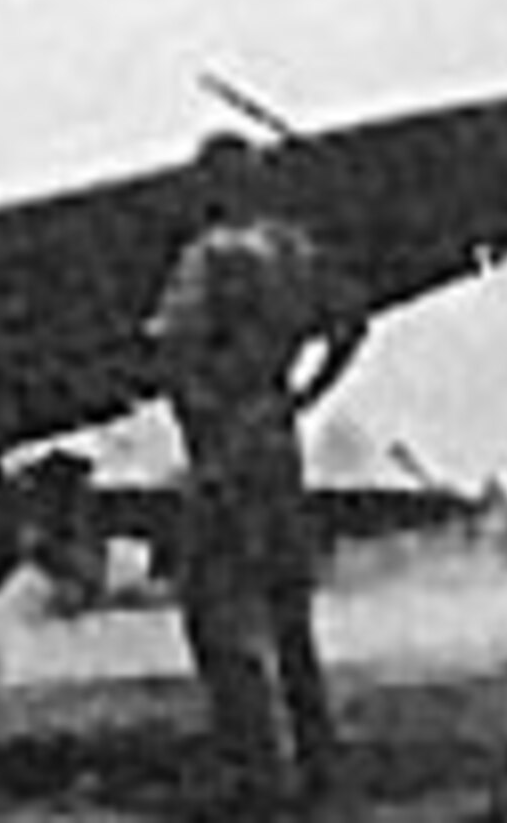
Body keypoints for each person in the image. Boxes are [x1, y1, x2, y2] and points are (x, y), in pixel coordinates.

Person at [146, 133, 368, 810]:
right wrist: (303, 394)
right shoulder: (297, 250)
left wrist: (207, 417)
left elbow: (171, 352)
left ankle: (256, 778)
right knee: (288, 613)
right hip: (278, 436)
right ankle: (318, 764)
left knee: (216, 612)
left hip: (226, 447)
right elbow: (351, 321)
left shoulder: (209, 257)